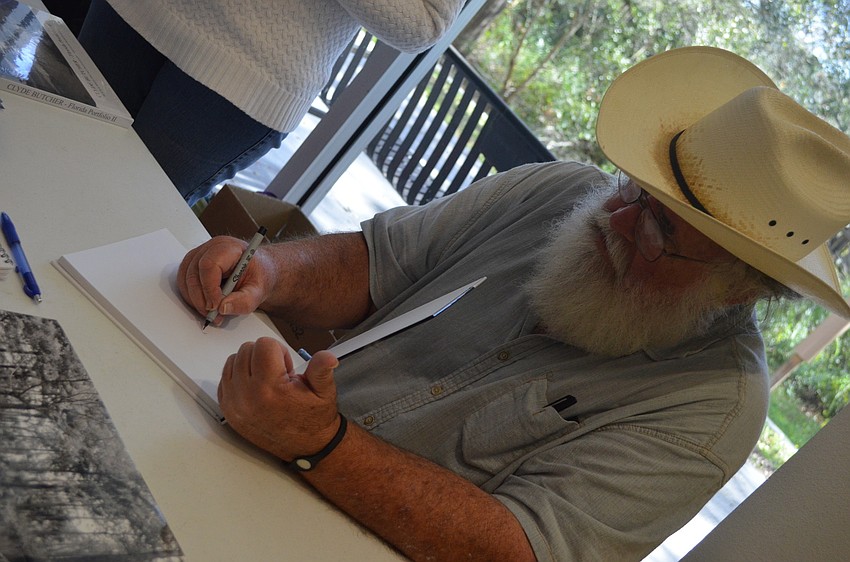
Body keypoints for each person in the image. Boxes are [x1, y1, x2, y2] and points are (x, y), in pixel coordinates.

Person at [177, 47, 850, 560]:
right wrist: (269, 269)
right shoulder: (561, 192)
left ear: (736, 288)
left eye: (657, 230)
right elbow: (376, 262)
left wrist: (321, 445)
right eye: (636, 189)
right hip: (242, 444)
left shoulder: (714, 405)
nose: (614, 220)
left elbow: (524, 548)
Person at [76, 0, 464, 206]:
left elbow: (423, 25)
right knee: (46, 153)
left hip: (240, 77)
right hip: (130, 12)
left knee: (113, 215)